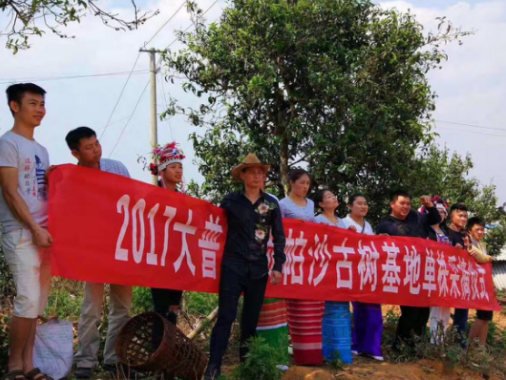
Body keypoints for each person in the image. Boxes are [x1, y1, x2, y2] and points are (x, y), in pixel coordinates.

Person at [204, 153, 285, 380]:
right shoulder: (230, 201)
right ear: (243, 175)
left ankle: (247, 366)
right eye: (253, 171)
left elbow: (279, 236)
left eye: (261, 172)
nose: (258, 176)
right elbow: (211, 223)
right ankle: (213, 366)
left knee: (250, 320)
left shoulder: (271, 203)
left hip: (259, 267)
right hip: (233, 264)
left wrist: (278, 265)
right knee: (226, 317)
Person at [66, 127, 132, 378]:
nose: (96, 150)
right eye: (89, 147)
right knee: (91, 308)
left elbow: (135, 202)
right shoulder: (71, 177)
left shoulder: (117, 167)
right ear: (75, 152)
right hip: (92, 250)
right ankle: (85, 361)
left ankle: (114, 358)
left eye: (97, 144)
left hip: (123, 247)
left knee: (122, 307)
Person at [0, 83, 53, 380]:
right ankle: (14, 367)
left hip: (43, 234)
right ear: (15, 106)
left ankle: (29, 365)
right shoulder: (8, 143)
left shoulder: (41, 150)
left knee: (36, 303)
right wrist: (33, 227)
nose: (40, 109)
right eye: (33, 103)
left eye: (42, 104)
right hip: (21, 231)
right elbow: (10, 192)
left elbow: (43, 189)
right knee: (27, 300)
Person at [376, 190, 441, 349]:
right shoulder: (386, 225)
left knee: (423, 310)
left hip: (422, 271)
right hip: (403, 273)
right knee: (410, 310)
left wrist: (430, 206)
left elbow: (436, 219)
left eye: (408, 204)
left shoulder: (416, 217)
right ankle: (399, 342)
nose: (406, 207)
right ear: (392, 204)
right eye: (402, 203)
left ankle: (416, 341)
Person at [279, 170, 323, 365]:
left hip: (307, 258)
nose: (305, 186)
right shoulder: (282, 204)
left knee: (307, 300)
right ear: (291, 183)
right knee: (291, 298)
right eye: (302, 182)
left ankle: (305, 345)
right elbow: (278, 229)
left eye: (308, 183)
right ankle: (290, 341)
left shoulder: (312, 204)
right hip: (289, 255)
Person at [148, 143, 186, 327]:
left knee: (173, 308)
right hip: (158, 259)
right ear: (162, 171)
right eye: (173, 167)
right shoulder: (152, 196)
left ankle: (169, 350)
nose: (178, 171)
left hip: (177, 259)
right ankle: (158, 350)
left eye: (180, 167)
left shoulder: (184, 200)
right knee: (161, 308)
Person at [342, 194, 383, 361]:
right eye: (359, 203)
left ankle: (370, 347)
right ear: (350, 206)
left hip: (368, 272)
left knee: (371, 308)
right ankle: (357, 346)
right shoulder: (343, 222)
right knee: (358, 310)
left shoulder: (368, 225)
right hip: (349, 271)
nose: (363, 206)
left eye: (365, 203)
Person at [314, 189, 353, 364]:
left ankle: (342, 353)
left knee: (341, 311)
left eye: (333, 195)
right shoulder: (317, 220)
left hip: (340, 272)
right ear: (322, 204)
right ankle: (326, 352)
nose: (334, 198)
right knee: (326, 311)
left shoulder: (342, 222)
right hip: (325, 271)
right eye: (329, 197)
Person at [425, 198, 452, 344]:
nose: (441, 214)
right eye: (438, 211)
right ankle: (433, 339)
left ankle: (442, 338)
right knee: (435, 307)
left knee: (446, 306)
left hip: (446, 274)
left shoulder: (446, 232)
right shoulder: (427, 230)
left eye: (443, 212)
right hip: (432, 272)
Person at [444, 203, 470, 344]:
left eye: (465, 216)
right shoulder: (445, 232)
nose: (463, 218)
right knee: (443, 310)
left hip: (463, 278)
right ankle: (437, 342)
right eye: (460, 215)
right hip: (447, 277)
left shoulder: (466, 235)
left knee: (462, 311)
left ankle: (459, 341)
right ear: (451, 215)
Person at [466, 217, 494, 346]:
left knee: (487, 316)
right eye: (478, 229)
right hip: (474, 284)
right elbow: (481, 259)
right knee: (482, 315)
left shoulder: (482, 245)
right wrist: (487, 258)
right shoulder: (468, 243)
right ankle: (468, 345)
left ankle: (481, 347)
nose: (481, 232)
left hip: (484, 285)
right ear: (470, 230)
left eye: (482, 230)